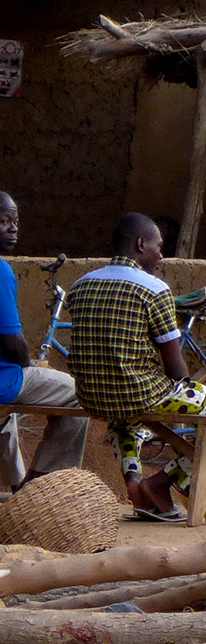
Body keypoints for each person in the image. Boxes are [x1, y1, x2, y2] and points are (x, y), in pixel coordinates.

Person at [66, 213, 206, 521]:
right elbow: (174, 365)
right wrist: (188, 388)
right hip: (141, 393)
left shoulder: (80, 285)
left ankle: (135, 485)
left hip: (91, 396)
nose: (161, 255)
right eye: (158, 246)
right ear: (141, 244)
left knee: (125, 419)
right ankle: (160, 482)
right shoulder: (153, 289)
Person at [0, 192, 89, 490]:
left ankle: (19, 488)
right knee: (79, 394)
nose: (13, 229)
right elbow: (13, 343)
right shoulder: (0, 271)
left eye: (15, 221)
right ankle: (44, 486)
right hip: (3, 380)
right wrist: (28, 363)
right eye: (3, 221)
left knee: (6, 414)